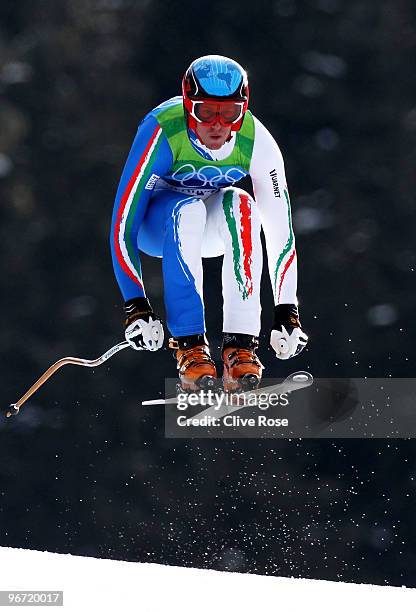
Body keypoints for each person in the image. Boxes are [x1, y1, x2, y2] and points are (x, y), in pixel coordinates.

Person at [110, 55, 308, 392]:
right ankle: (190, 348)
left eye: (230, 113)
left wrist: (287, 310)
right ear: (188, 106)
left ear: (243, 109)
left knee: (242, 204)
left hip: (207, 227)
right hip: (155, 229)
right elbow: (123, 223)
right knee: (187, 209)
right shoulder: (162, 129)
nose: (218, 124)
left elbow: (280, 232)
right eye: (206, 112)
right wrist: (136, 305)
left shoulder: (256, 140)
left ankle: (241, 348)